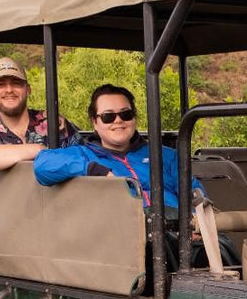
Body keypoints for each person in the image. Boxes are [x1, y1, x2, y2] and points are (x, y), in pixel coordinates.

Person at [31, 84, 196, 208]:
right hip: (118, 238)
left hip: (175, 236)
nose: (118, 121)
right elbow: (43, 165)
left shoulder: (164, 155)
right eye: (108, 116)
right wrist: (94, 170)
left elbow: (195, 194)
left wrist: (195, 220)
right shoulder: (84, 155)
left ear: (134, 118)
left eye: (126, 114)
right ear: (95, 122)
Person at [0, 57, 77, 170]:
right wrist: (39, 149)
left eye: (16, 83)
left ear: (28, 89)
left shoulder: (53, 121)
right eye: (0, 84)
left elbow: (84, 155)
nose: (9, 89)